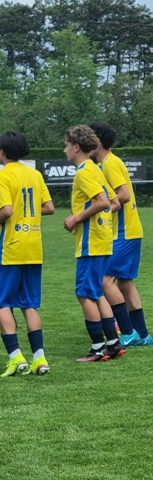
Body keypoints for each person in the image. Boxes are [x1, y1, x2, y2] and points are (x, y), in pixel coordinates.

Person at [0, 131, 55, 377]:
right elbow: (49, 208)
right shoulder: (34, 174)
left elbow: (6, 210)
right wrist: (28, 212)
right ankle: (40, 358)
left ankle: (16, 357)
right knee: (29, 304)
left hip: (12, 247)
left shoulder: (2, 175)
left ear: (2, 151)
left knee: (1, 302)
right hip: (34, 247)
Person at [62, 124, 125, 362]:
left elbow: (102, 202)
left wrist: (76, 218)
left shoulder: (84, 172)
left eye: (66, 145)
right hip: (103, 239)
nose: (65, 150)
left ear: (76, 147)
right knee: (96, 291)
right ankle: (113, 343)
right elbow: (114, 202)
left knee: (84, 293)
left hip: (91, 242)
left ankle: (97, 348)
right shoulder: (96, 169)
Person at [89, 121, 152, 347]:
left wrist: (101, 210)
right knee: (125, 283)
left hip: (124, 231)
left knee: (104, 280)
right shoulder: (110, 162)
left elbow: (123, 195)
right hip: (130, 230)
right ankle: (142, 334)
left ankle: (127, 331)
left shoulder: (109, 163)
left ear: (97, 141)